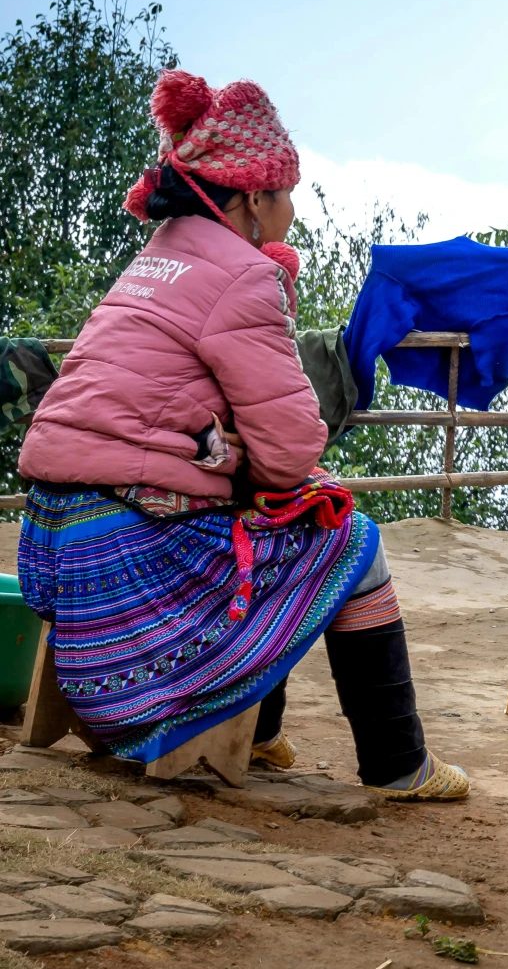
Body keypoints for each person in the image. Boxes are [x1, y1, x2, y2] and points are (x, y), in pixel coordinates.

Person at [16, 70, 467, 799]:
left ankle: (259, 735)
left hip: (51, 546)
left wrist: (225, 452)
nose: (292, 207)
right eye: (286, 192)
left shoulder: (155, 259)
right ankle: (398, 766)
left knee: (266, 524)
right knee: (348, 537)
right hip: (127, 561)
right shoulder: (242, 275)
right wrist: (248, 457)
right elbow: (291, 454)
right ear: (253, 198)